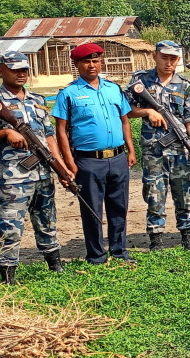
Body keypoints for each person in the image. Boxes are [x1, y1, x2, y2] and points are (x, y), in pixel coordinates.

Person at [0, 51, 64, 283]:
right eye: (15, 69)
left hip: (43, 172)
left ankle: (55, 266)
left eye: (24, 70)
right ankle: (7, 274)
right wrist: (5, 132)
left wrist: (60, 167)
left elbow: (49, 136)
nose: (21, 74)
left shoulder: (37, 99)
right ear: (1, 70)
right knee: (11, 225)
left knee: (47, 220)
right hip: (14, 176)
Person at [53, 42, 137, 266]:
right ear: (77, 64)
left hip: (118, 158)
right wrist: (69, 162)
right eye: (86, 62)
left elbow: (125, 121)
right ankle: (97, 257)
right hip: (88, 162)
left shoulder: (113, 89)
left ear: (101, 62)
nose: (92, 65)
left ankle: (119, 252)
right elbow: (61, 130)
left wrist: (131, 149)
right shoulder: (69, 94)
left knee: (119, 207)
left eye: (95, 61)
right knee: (92, 211)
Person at [126, 40, 190, 251]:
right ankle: (156, 240)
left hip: (180, 149)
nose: (168, 62)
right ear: (155, 56)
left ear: (178, 60)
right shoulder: (141, 81)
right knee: (154, 192)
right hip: (154, 150)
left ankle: (187, 238)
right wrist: (147, 111)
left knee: (184, 193)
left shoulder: (184, 85)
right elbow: (125, 109)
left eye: (173, 58)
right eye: (164, 57)